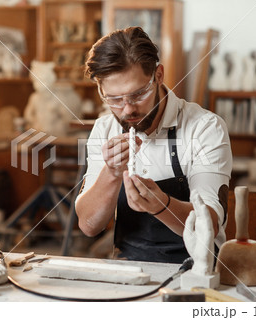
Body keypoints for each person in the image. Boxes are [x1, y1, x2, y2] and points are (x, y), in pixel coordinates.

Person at [75, 27, 232, 263]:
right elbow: (88, 225)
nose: (127, 109)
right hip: (128, 269)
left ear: (158, 75)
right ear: (100, 90)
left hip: (198, 268)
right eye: (115, 99)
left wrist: (161, 205)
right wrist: (112, 173)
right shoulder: (104, 129)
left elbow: (209, 224)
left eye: (138, 94)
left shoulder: (205, 128)